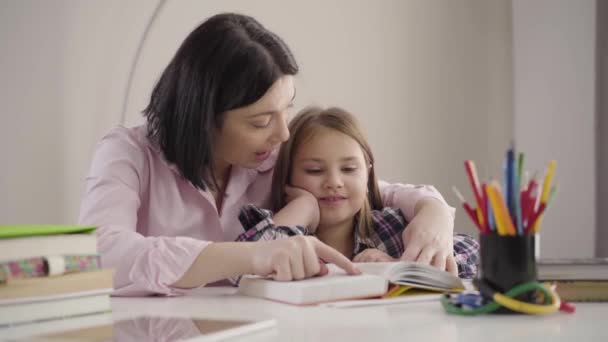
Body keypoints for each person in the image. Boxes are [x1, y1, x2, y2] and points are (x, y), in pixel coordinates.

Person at [79, 13, 457, 296]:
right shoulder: (127, 154)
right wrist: (253, 256)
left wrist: (434, 213)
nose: (284, 133)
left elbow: (371, 188)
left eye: (287, 109)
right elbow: (100, 253)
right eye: (261, 122)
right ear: (205, 118)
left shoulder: (273, 160)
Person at [236, 107, 479, 279]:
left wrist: (399, 269)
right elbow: (241, 270)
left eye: (349, 169)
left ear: (367, 174)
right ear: (288, 175)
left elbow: (472, 254)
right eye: (315, 170)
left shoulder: (390, 227)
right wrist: (302, 208)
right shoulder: (278, 231)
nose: (334, 182)